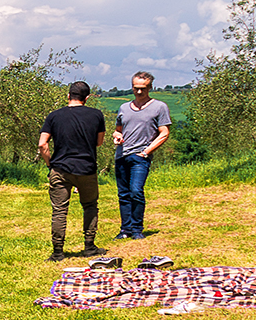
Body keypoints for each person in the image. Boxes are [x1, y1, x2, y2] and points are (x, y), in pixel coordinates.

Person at [38, 81, 109, 261]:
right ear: (87, 98)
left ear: (68, 96)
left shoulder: (54, 116)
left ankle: (58, 252)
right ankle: (89, 246)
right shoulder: (96, 115)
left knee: (60, 210)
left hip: (61, 168)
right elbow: (99, 142)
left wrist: (50, 164)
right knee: (90, 206)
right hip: (87, 168)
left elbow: (42, 144)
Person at [112, 71, 172, 240]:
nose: (139, 92)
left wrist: (146, 152)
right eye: (136, 88)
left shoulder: (159, 107)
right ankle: (125, 229)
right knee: (123, 194)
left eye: (143, 89)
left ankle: (137, 229)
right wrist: (116, 136)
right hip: (122, 155)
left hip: (141, 157)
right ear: (132, 87)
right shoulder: (123, 108)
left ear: (150, 87)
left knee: (136, 191)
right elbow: (118, 130)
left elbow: (164, 133)